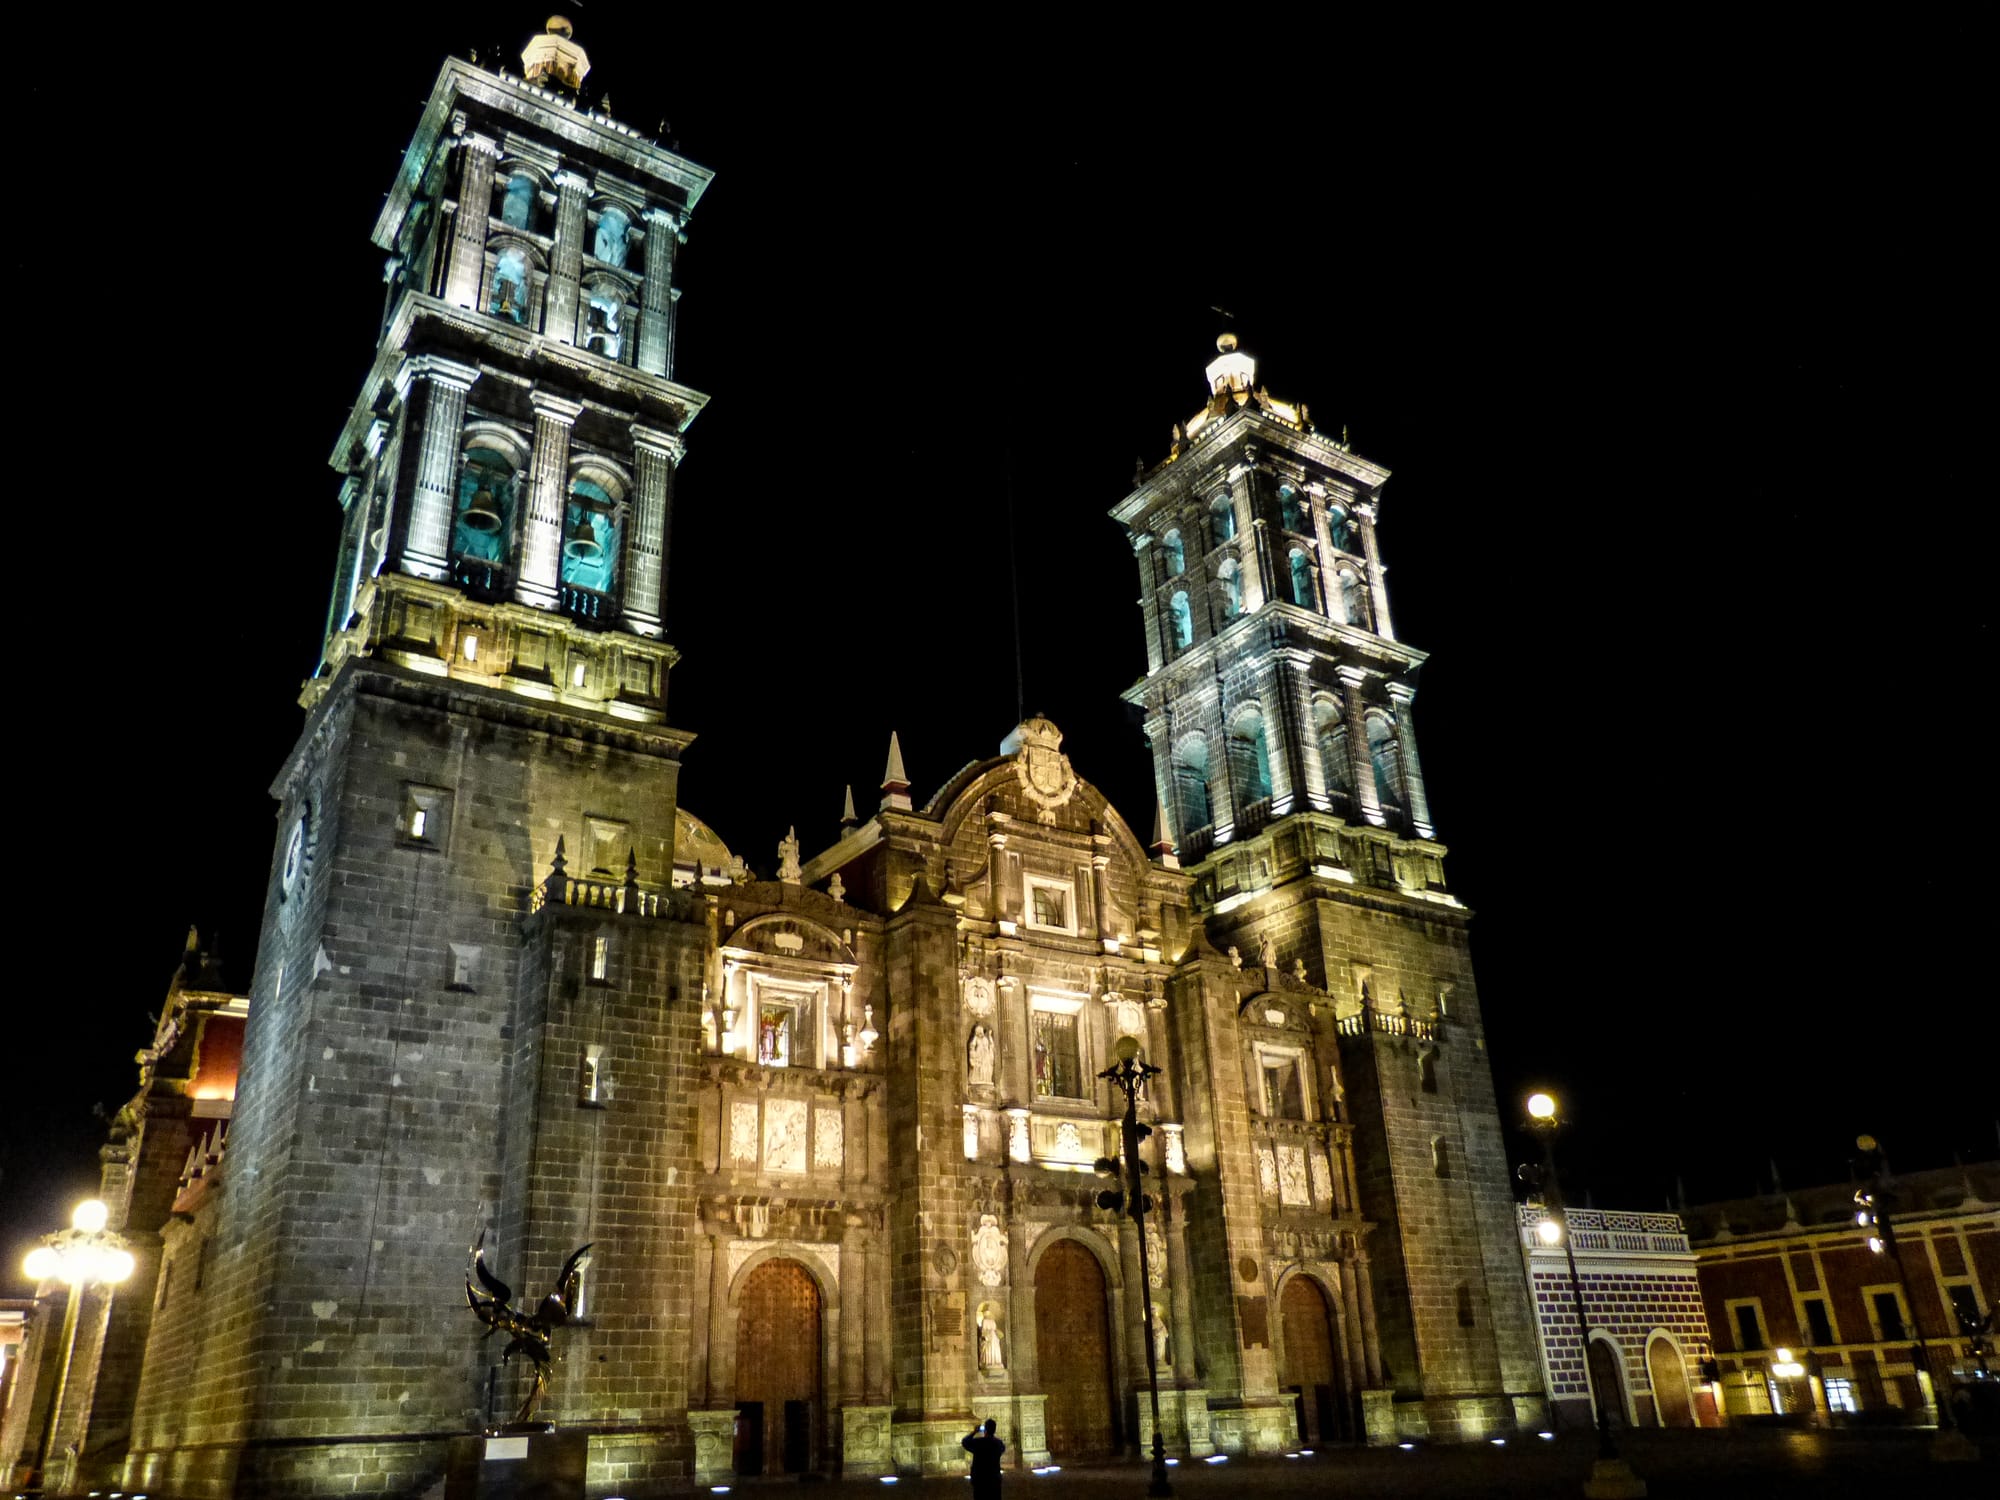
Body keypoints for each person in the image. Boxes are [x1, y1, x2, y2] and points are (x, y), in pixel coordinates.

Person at [962, 1417, 1005, 1498]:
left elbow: (965, 1442)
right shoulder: (998, 1443)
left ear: (985, 1429)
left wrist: (974, 1432)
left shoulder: (978, 1442)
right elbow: (1002, 1449)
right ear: (994, 1430)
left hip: (980, 1479)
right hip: (994, 1479)